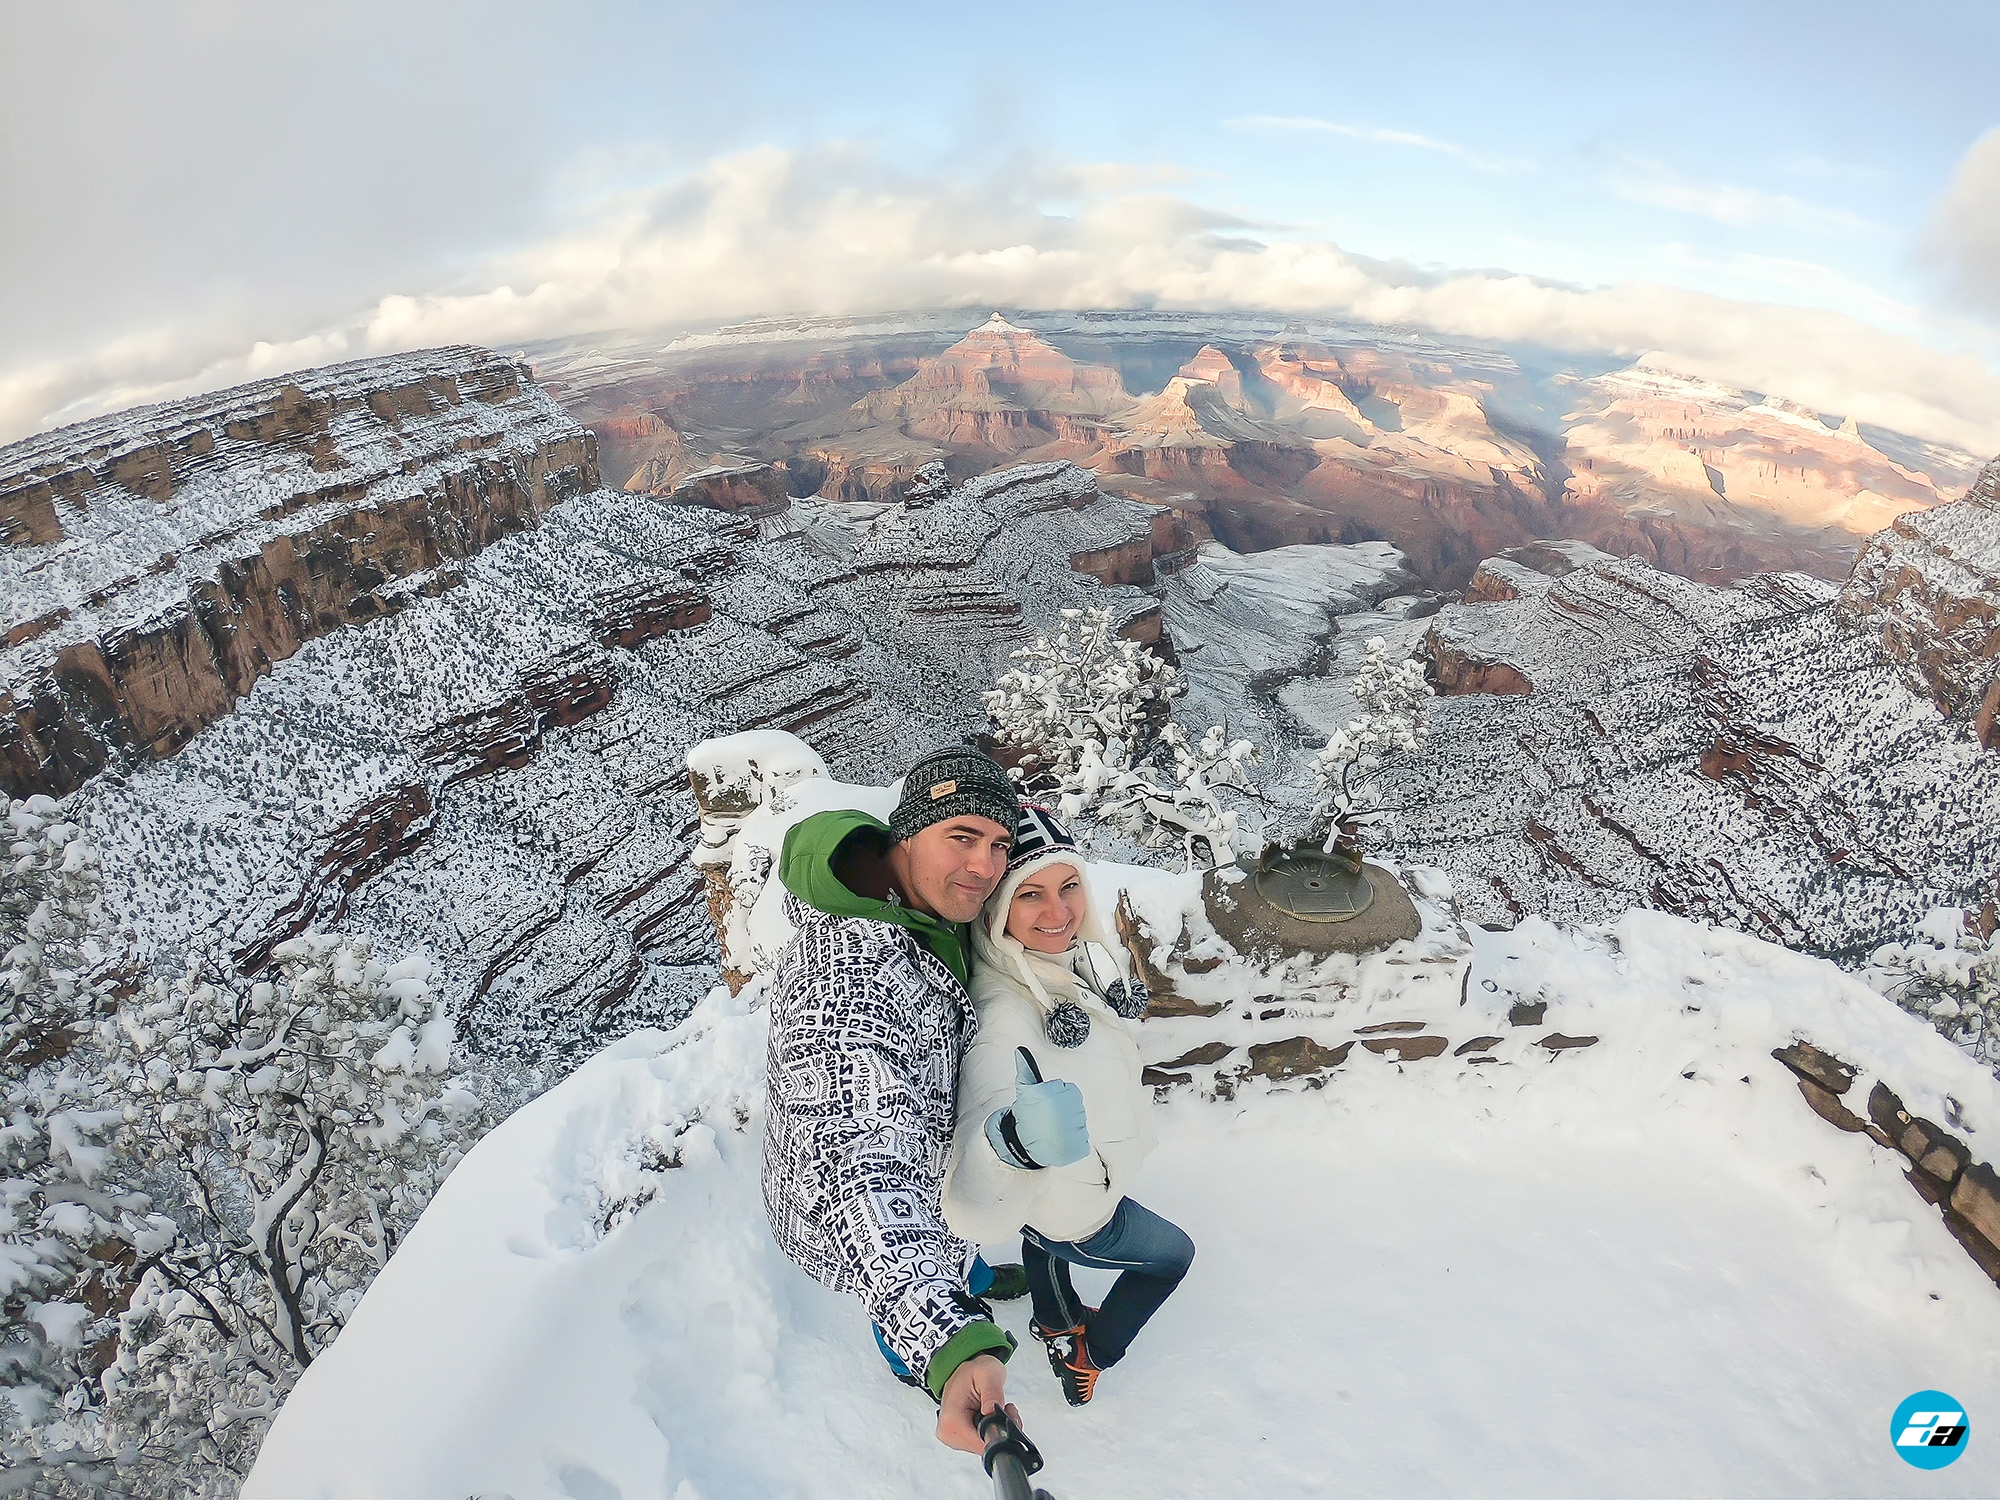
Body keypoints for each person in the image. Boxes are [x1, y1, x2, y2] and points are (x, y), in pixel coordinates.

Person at [762, 746, 1073, 1453]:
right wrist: (948, 1342)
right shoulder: (848, 985)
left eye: (998, 844)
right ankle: (913, 1354)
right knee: (920, 1255)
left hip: (928, 1147)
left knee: (955, 1236)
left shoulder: (911, 903)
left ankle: (975, 1272)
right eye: (961, 838)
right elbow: (860, 1171)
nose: (985, 868)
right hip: (860, 1207)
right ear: (905, 834)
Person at [944, 803, 1195, 1406]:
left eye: (1069, 885)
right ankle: (1092, 1353)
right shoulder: (1004, 1019)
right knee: (1170, 1258)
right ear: (997, 910)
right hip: (1083, 1214)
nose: (1059, 913)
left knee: (1042, 1242)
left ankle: (1055, 1321)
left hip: (1060, 1200)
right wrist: (1017, 1144)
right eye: (1030, 895)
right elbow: (973, 1204)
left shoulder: (1054, 963)